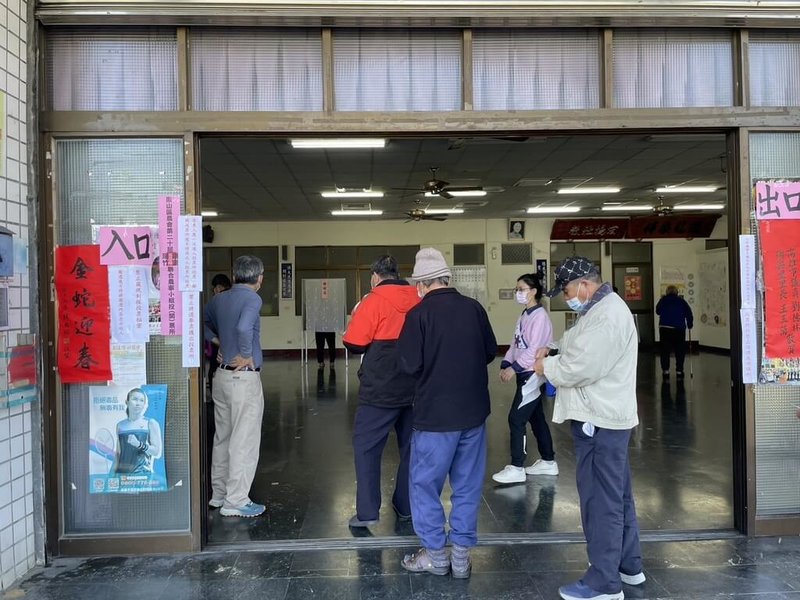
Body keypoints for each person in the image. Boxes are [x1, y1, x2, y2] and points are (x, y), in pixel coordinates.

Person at [533, 257, 643, 600]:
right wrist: (554, 349)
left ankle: (604, 583)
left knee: (600, 501)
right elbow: (577, 344)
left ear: (584, 284)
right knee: (617, 495)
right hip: (607, 416)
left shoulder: (608, 315)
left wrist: (545, 365)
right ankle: (629, 565)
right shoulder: (599, 309)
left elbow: (581, 367)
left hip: (600, 420)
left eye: (566, 291)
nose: (567, 298)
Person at [396, 248, 497, 579]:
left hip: (435, 417)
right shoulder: (474, 309)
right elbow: (488, 353)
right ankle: (461, 557)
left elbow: (409, 365)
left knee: (425, 485)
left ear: (422, 284)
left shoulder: (418, 315)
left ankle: (436, 557)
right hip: (473, 414)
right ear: (447, 278)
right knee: (467, 485)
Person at [342, 255, 420, 528]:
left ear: (375, 276)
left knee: (366, 447)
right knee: (412, 448)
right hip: (415, 387)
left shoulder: (372, 300)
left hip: (380, 388)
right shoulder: (419, 297)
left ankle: (367, 512)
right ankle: (406, 505)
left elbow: (354, 343)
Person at [204, 255, 266, 518]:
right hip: (243, 378)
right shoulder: (252, 298)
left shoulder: (219, 299)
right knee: (244, 439)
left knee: (223, 437)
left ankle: (218, 495)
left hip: (222, 377)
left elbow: (202, 324)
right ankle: (237, 500)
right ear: (260, 277)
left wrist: (218, 343)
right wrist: (245, 354)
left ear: (234, 274)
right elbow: (243, 327)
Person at [492, 273, 558, 484]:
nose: (518, 293)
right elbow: (515, 344)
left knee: (516, 418)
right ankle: (548, 461)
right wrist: (506, 364)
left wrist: (515, 368)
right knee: (536, 418)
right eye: (517, 289)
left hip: (532, 374)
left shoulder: (540, 317)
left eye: (521, 289)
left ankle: (517, 466)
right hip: (523, 372)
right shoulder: (525, 315)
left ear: (533, 291)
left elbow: (534, 350)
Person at [113, 388, 163, 475]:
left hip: (142, 475)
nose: (138, 403)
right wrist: (113, 474)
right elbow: (118, 453)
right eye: (134, 399)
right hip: (122, 476)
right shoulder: (120, 425)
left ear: (145, 404)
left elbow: (157, 452)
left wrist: (139, 444)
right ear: (127, 402)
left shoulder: (150, 423)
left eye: (141, 400)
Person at [656, 285, 694, 378]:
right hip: (679, 329)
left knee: (665, 350)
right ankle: (679, 370)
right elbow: (689, 313)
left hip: (665, 328)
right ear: (677, 292)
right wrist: (690, 324)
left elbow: (658, 311)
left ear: (667, 292)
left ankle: (665, 370)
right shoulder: (681, 301)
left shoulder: (663, 300)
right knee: (680, 350)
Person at [206, 273, 232, 390]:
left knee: (215, 369)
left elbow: (202, 322)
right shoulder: (236, 301)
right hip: (233, 345)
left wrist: (214, 339)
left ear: (219, 288)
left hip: (218, 343)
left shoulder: (214, 302)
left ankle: (215, 396)